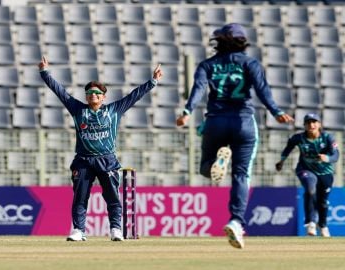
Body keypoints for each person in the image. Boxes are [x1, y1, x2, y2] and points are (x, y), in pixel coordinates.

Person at [175, 23, 294, 249]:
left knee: (205, 169)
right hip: (243, 122)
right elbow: (262, 90)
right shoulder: (250, 63)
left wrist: (187, 112)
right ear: (243, 41)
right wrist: (276, 112)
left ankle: (216, 163)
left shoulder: (207, 65)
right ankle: (236, 221)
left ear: (218, 41)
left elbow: (198, 89)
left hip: (215, 121)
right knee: (241, 175)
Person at [38, 56, 162, 241]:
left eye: (96, 93)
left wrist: (152, 82)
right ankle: (79, 230)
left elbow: (134, 95)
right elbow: (60, 92)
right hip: (83, 160)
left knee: (112, 197)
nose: (92, 95)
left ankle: (115, 229)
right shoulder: (77, 109)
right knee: (80, 198)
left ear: (104, 97)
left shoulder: (114, 110)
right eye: (89, 93)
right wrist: (44, 73)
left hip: (107, 159)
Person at [275, 113, 338, 238]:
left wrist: (327, 158)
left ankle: (323, 225)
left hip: (326, 173)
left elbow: (336, 155)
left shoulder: (327, 138)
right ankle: (310, 223)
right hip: (305, 169)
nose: (311, 125)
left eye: (314, 122)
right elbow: (288, 148)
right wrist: (282, 161)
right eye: (308, 122)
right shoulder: (299, 138)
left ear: (319, 124)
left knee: (323, 202)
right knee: (310, 189)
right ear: (304, 125)